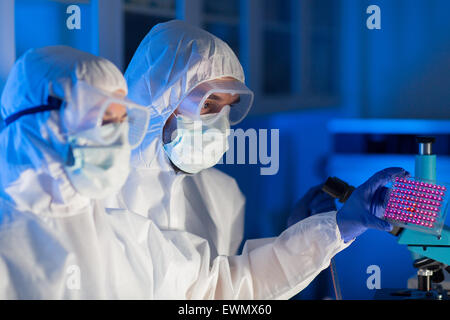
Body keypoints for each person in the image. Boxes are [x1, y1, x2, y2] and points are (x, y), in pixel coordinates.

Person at [111, 19, 409, 299]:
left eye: (228, 108)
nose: (220, 125)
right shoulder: (103, 195)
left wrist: (305, 234)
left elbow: (231, 286)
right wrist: (330, 230)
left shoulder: (221, 194)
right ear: (159, 99)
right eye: (208, 105)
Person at [0, 46, 154, 299]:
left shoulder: (124, 235)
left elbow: (203, 281)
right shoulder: (8, 245)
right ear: (44, 124)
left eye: (121, 121)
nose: (117, 138)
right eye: (103, 120)